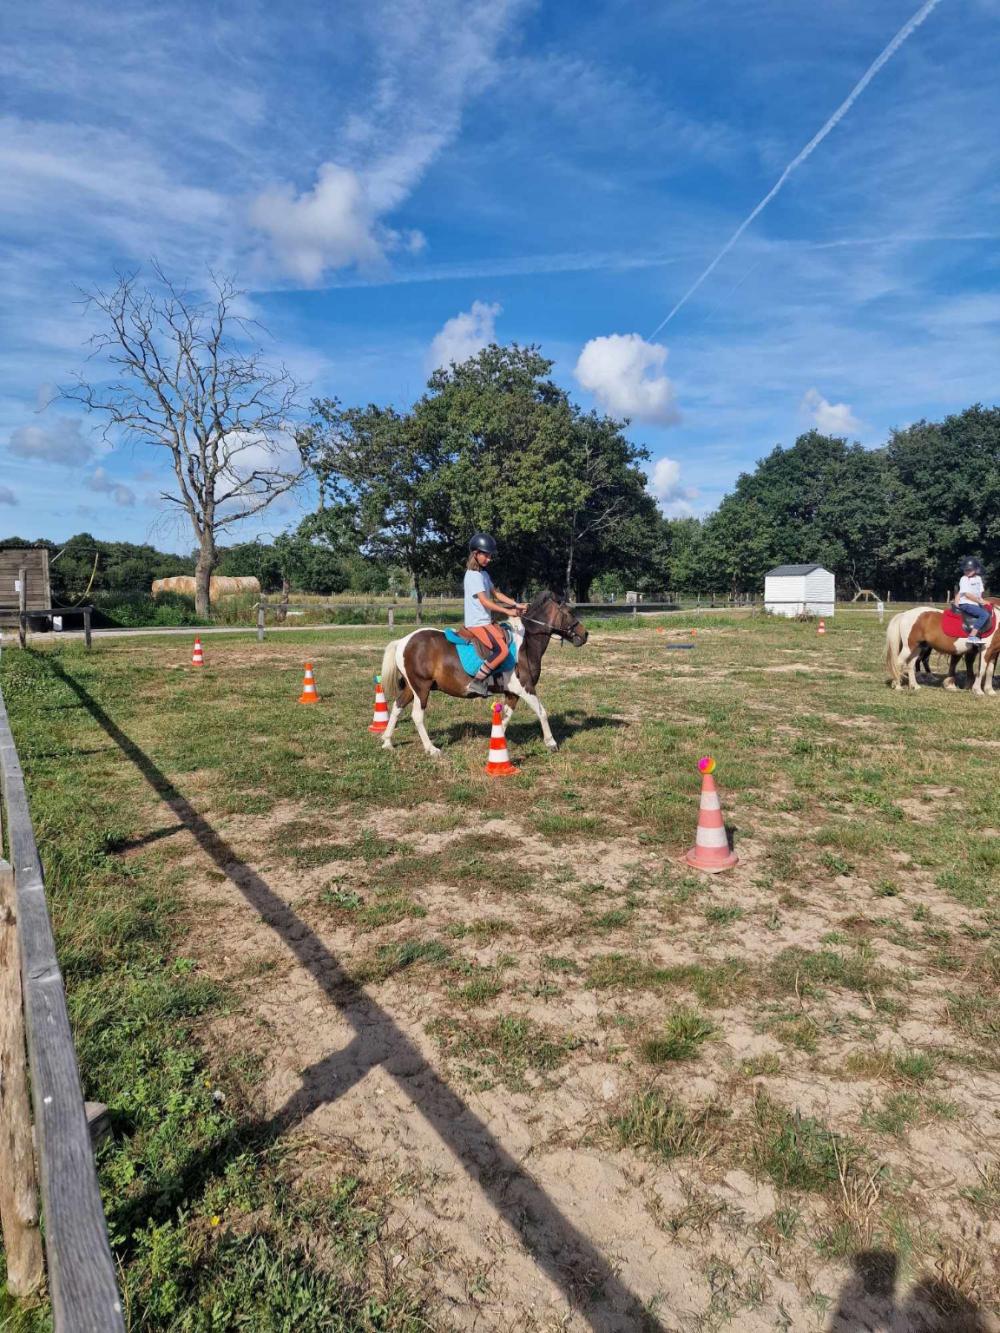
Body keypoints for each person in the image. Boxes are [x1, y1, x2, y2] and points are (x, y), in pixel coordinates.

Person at [462, 533, 527, 696]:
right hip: (477, 623)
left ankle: (497, 678)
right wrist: (507, 611)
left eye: (490, 556)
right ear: (475, 554)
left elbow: (496, 594)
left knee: (506, 639)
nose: (489, 559)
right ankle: (477, 682)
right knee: (503, 651)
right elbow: (485, 601)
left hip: (486, 621)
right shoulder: (473, 576)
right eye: (486, 555)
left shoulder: (484, 574)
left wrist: (516, 604)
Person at [954, 557, 990, 643]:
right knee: (984, 615)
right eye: (966, 570)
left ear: (976, 569)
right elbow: (966, 594)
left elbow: (979, 594)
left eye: (969, 570)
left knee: (989, 611)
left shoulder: (978, 579)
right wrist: (956, 602)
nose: (967, 572)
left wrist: (982, 602)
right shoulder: (964, 579)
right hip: (966, 603)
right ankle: (972, 636)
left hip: (976, 603)